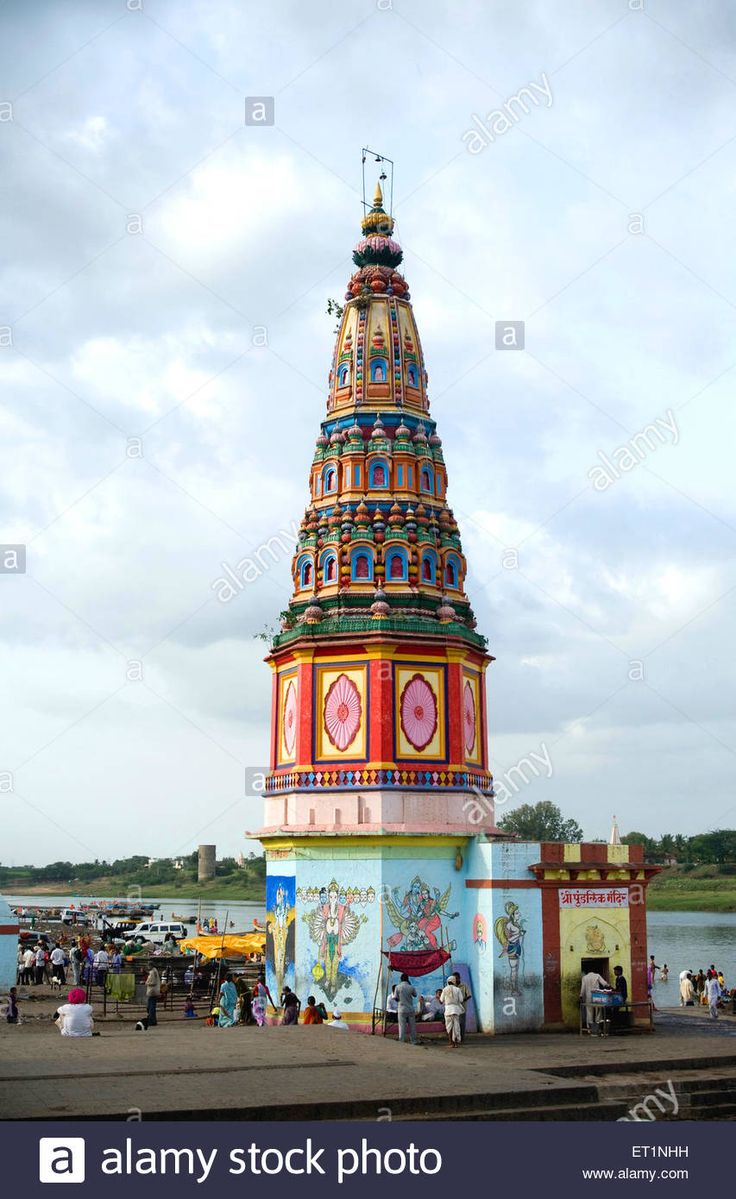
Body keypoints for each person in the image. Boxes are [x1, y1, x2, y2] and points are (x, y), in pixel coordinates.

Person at [580, 969, 611, 1033]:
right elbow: (604, 984)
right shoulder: (597, 975)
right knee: (598, 1011)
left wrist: (581, 996)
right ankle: (598, 1027)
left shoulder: (584, 977)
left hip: (588, 996)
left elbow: (583, 988)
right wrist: (609, 987)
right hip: (597, 996)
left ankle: (589, 1028)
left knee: (589, 1012)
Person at [440, 974, 464, 1048]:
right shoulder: (458, 989)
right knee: (456, 1026)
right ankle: (456, 1043)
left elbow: (441, 1000)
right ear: (454, 981)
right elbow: (461, 1000)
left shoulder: (444, 989)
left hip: (448, 1010)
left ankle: (451, 1043)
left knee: (449, 1027)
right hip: (456, 1010)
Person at [395, 973, 418, 1045]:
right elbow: (415, 995)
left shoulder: (397, 987)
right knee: (412, 1026)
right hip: (410, 1009)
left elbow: (396, 998)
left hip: (402, 1009)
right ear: (408, 979)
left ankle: (401, 1040)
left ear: (401, 979)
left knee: (402, 1026)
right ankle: (413, 1040)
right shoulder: (411, 987)